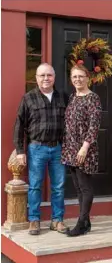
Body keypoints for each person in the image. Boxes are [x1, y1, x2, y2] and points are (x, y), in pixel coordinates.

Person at [13, 63, 67, 235]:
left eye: (49, 75)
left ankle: (57, 220)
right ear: (36, 78)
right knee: (35, 186)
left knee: (58, 186)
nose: (46, 78)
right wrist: (20, 151)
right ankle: (34, 220)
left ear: (54, 77)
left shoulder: (63, 97)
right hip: (36, 148)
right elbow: (19, 126)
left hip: (58, 148)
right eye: (42, 75)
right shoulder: (28, 98)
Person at [61, 64, 102, 237]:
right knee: (78, 187)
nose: (78, 79)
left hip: (84, 149)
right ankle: (85, 222)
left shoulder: (93, 98)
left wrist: (84, 147)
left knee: (85, 187)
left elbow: (94, 125)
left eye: (81, 76)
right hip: (70, 148)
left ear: (88, 78)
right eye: (74, 77)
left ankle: (81, 223)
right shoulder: (72, 97)